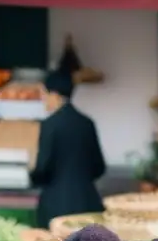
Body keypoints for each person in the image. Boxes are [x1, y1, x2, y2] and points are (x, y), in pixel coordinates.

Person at [30, 71, 106, 229]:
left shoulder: (49, 125)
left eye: (44, 94)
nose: (43, 99)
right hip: (88, 203)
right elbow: (99, 167)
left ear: (54, 94)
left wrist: (32, 176)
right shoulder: (87, 123)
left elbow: (43, 168)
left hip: (56, 206)